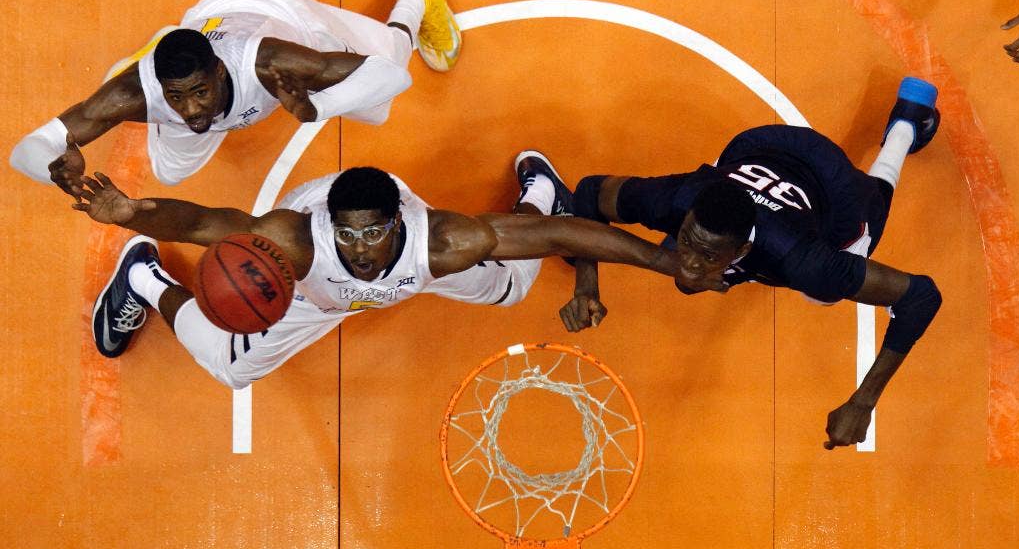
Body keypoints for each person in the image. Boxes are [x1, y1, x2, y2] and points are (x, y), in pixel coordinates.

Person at [72, 151, 678, 389]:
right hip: (313, 294)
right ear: (331, 225)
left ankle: (540, 186)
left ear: (397, 221)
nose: (360, 246)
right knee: (231, 369)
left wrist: (659, 258)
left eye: (373, 232)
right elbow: (204, 222)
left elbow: (554, 235)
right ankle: (144, 278)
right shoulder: (293, 244)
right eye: (349, 233)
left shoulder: (441, 243)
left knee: (514, 286)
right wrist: (132, 214)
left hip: (417, 270)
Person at [559, 77, 943, 451]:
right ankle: (707, 243)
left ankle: (907, 123)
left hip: (832, 184)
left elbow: (921, 298)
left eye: (708, 257)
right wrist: (586, 282)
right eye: (687, 243)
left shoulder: (807, 263)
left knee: (837, 271)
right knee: (694, 258)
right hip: (762, 145)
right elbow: (591, 192)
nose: (688, 265)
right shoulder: (675, 199)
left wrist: (862, 402)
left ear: (742, 250)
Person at [10, 0, 460, 191]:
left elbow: (389, 76)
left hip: (276, 14)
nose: (189, 109)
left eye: (199, 92)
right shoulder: (136, 95)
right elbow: (28, 148)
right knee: (168, 173)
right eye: (176, 96)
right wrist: (51, 167)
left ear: (220, 74)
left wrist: (316, 105)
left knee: (378, 101)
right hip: (203, 23)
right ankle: (167, 40)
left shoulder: (272, 63)